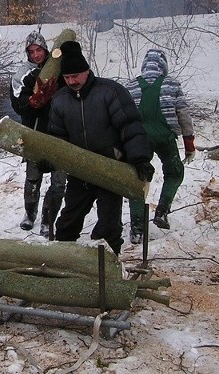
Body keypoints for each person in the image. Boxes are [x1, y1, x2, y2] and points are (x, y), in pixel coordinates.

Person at [48, 41, 155, 255]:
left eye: (76, 76)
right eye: (67, 78)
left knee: (109, 228)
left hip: (110, 169)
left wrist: (140, 158)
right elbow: (56, 138)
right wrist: (48, 158)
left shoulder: (110, 92)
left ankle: (109, 272)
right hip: (79, 172)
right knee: (67, 225)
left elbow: (130, 126)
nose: (72, 81)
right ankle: (64, 266)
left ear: (87, 71)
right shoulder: (60, 100)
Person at [124, 49, 196, 244]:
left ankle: (137, 228)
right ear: (163, 66)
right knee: (174, 172)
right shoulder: (172, 84)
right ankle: (162, 211)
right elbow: (184, 116)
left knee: (137, 179)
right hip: (165, 137)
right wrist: (189, 145)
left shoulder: (131, 86)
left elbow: (122, 117)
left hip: (138, 140)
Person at [10, 31, 67, 237]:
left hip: (61, 135)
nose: (36, 55)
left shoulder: (59, 69)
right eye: (31, 51)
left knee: (59, 182)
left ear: (46, 49)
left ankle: (48, 219)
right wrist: (33, 101)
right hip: (34, 132)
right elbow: (17, 103)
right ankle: (29, 213)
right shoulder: (23, 74)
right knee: (33, 179)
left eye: (39, 50)